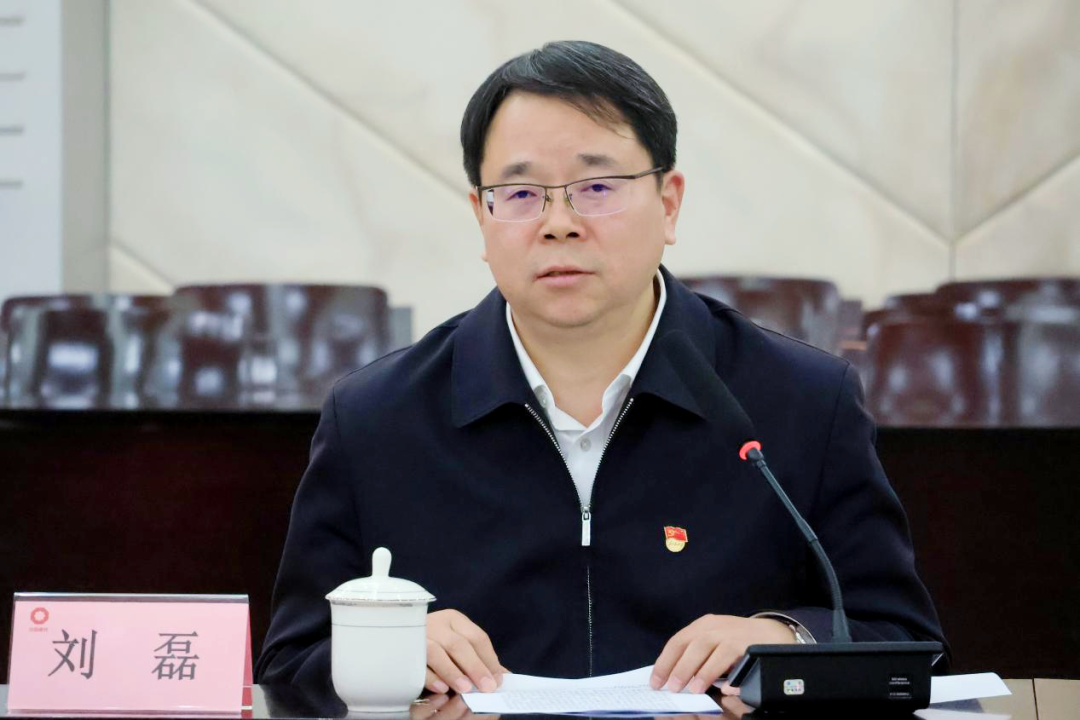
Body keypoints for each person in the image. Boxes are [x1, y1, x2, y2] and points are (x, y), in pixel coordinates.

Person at [255, 40, 946, 699]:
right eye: (520, 194)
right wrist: (387, 649)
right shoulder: (376, 417)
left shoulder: (802, 400)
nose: (559, 223)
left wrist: (787, 639)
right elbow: (289, 665)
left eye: (597, 186)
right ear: (481, 217)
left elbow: (906, 642)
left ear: (669, 203)